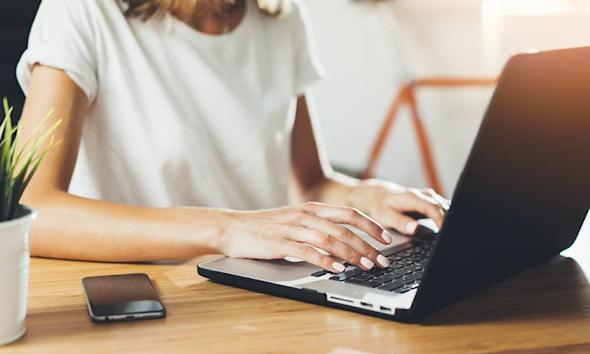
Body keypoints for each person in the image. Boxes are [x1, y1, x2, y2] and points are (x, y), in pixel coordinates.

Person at [16, 0, 447, 274]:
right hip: (148, 291)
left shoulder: (281, 17)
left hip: (257, 291)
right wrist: (227, 229)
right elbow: (29, 212)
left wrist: (366, 197)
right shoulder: (84, 10)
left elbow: (313, 182)